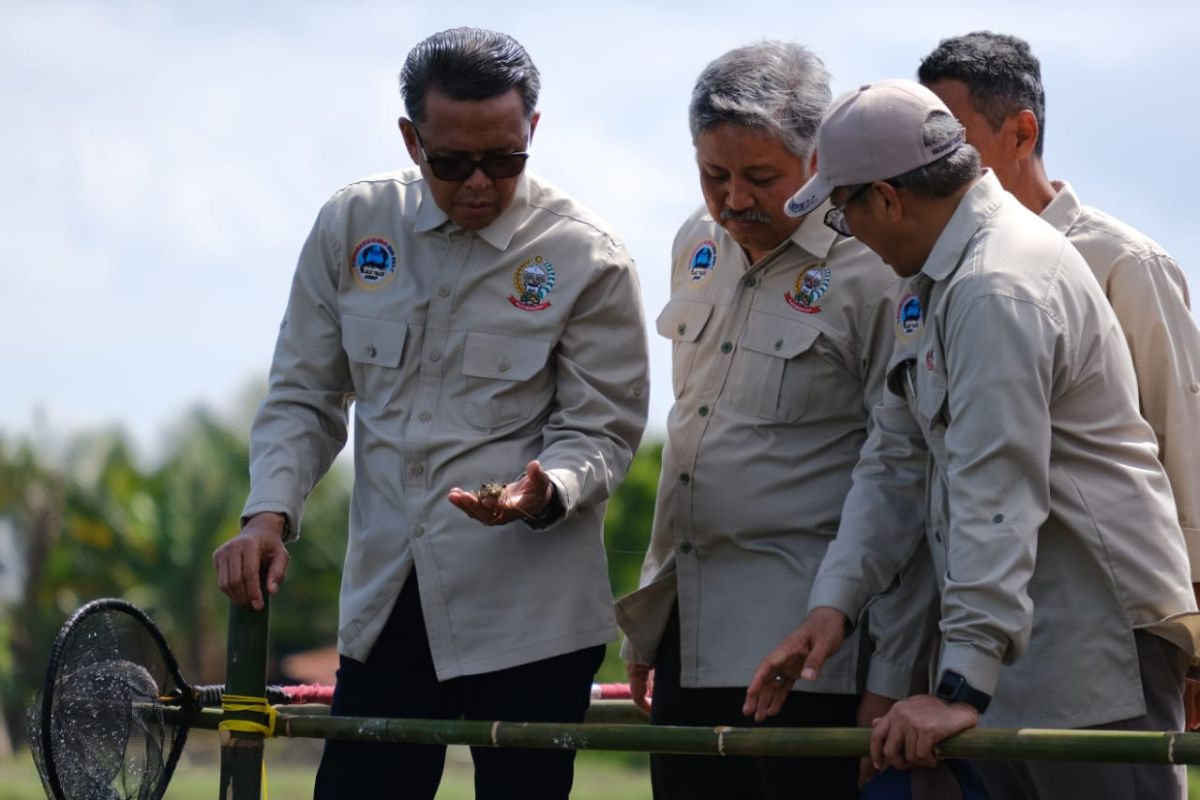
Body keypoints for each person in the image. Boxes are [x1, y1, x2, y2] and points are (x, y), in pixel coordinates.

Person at [211, 27, 649, 800]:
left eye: (504, 160)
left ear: (532, 134)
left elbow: (604, 430)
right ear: (412, 139)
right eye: (452, 163)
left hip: (532, 620)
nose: (479, 182)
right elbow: (306, 394)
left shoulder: (587, 256)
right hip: (387, 604)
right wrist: (268, 514)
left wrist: (544, 490)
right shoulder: (353, 226)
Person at [742, 79, 1200, 800]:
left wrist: (959, 684)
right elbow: (894, 459)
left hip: (1091, 640)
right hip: (1019, 638)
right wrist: (833, 607)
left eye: (842, 210)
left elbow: (998, 489)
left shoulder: (996, 287)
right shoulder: (934, 279)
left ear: (889, 199)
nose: (846, 231)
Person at [615, 42, 929, 800]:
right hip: (689, 640)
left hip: (811, 653)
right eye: (713, 174)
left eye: (761, 178)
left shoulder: (877, 266)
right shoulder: (697, 241)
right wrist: (649, 624)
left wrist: (886, 682)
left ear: (820, 159)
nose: (733, 201)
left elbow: (911, 478)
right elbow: (691, 435)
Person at [917, 28, 1200, 634]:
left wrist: (1191, 627)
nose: (931, 171)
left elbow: (1183, 440)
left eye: (953, 147)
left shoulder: (1123, 263)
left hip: (1115, 619)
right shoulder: (929, 272)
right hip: (975, 614)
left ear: (1021, 133)